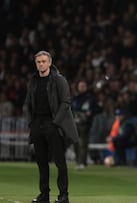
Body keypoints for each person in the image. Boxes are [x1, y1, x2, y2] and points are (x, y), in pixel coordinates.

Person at [24, 51, 79, 203]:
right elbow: (27, 103)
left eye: (43, 61)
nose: (40, 64)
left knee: (60, 162)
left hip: (53, 125)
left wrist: (56, 123)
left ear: (49, 63)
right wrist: (31, 122)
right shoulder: (33, 81)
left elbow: (66, 102)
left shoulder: (59, 80)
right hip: (37, 124)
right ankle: (44, 195)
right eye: (38, 62)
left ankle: (63, 195)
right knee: (41, 162)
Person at [71, 79, 100, 170]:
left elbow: (98, 109)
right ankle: (78, 160)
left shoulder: (90, 98)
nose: (82, 88)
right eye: (80, 86)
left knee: (83, 142)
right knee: (75, 142)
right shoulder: (75, 98)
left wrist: (91, 112)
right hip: (75, 122)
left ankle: (82, 162)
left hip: (85, 123)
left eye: (83, 86)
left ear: (86, 87)